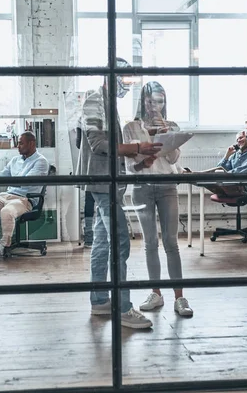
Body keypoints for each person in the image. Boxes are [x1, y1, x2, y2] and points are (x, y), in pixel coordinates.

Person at [78, 58, 162, 329]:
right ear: (110, 76)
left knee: (103, 242)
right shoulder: (94, 100)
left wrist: (137, 153)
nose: (127, 85)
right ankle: (123, 308)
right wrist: (137, 147)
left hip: (107, 183)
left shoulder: (106, 102)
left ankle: (101, 300)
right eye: (124, 79)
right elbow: (98, 143)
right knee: (120, 243)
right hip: (103, 183)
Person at [123, 81, 193, 317]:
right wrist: (144, 162)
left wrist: (166, 132)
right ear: (142, 101)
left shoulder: (171, 124)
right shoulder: (131, 127)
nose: (155, 105)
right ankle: (156, 293)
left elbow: (173, 159)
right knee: (150, 242)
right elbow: (129, 167)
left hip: (166, 185)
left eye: (160, 100)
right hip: (142, 186)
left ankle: (180, 297)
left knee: (171, 243)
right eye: (151, 100)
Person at [186, 130, 247, 197]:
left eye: (241, 137)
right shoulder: (235, 155)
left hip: (243, 187)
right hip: (231, 183)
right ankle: (193, 176)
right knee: (218, 172)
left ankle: (192, 176)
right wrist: (227, 156)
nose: (238, 141)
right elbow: (220, 168)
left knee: (215, 176)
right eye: (237, 140)